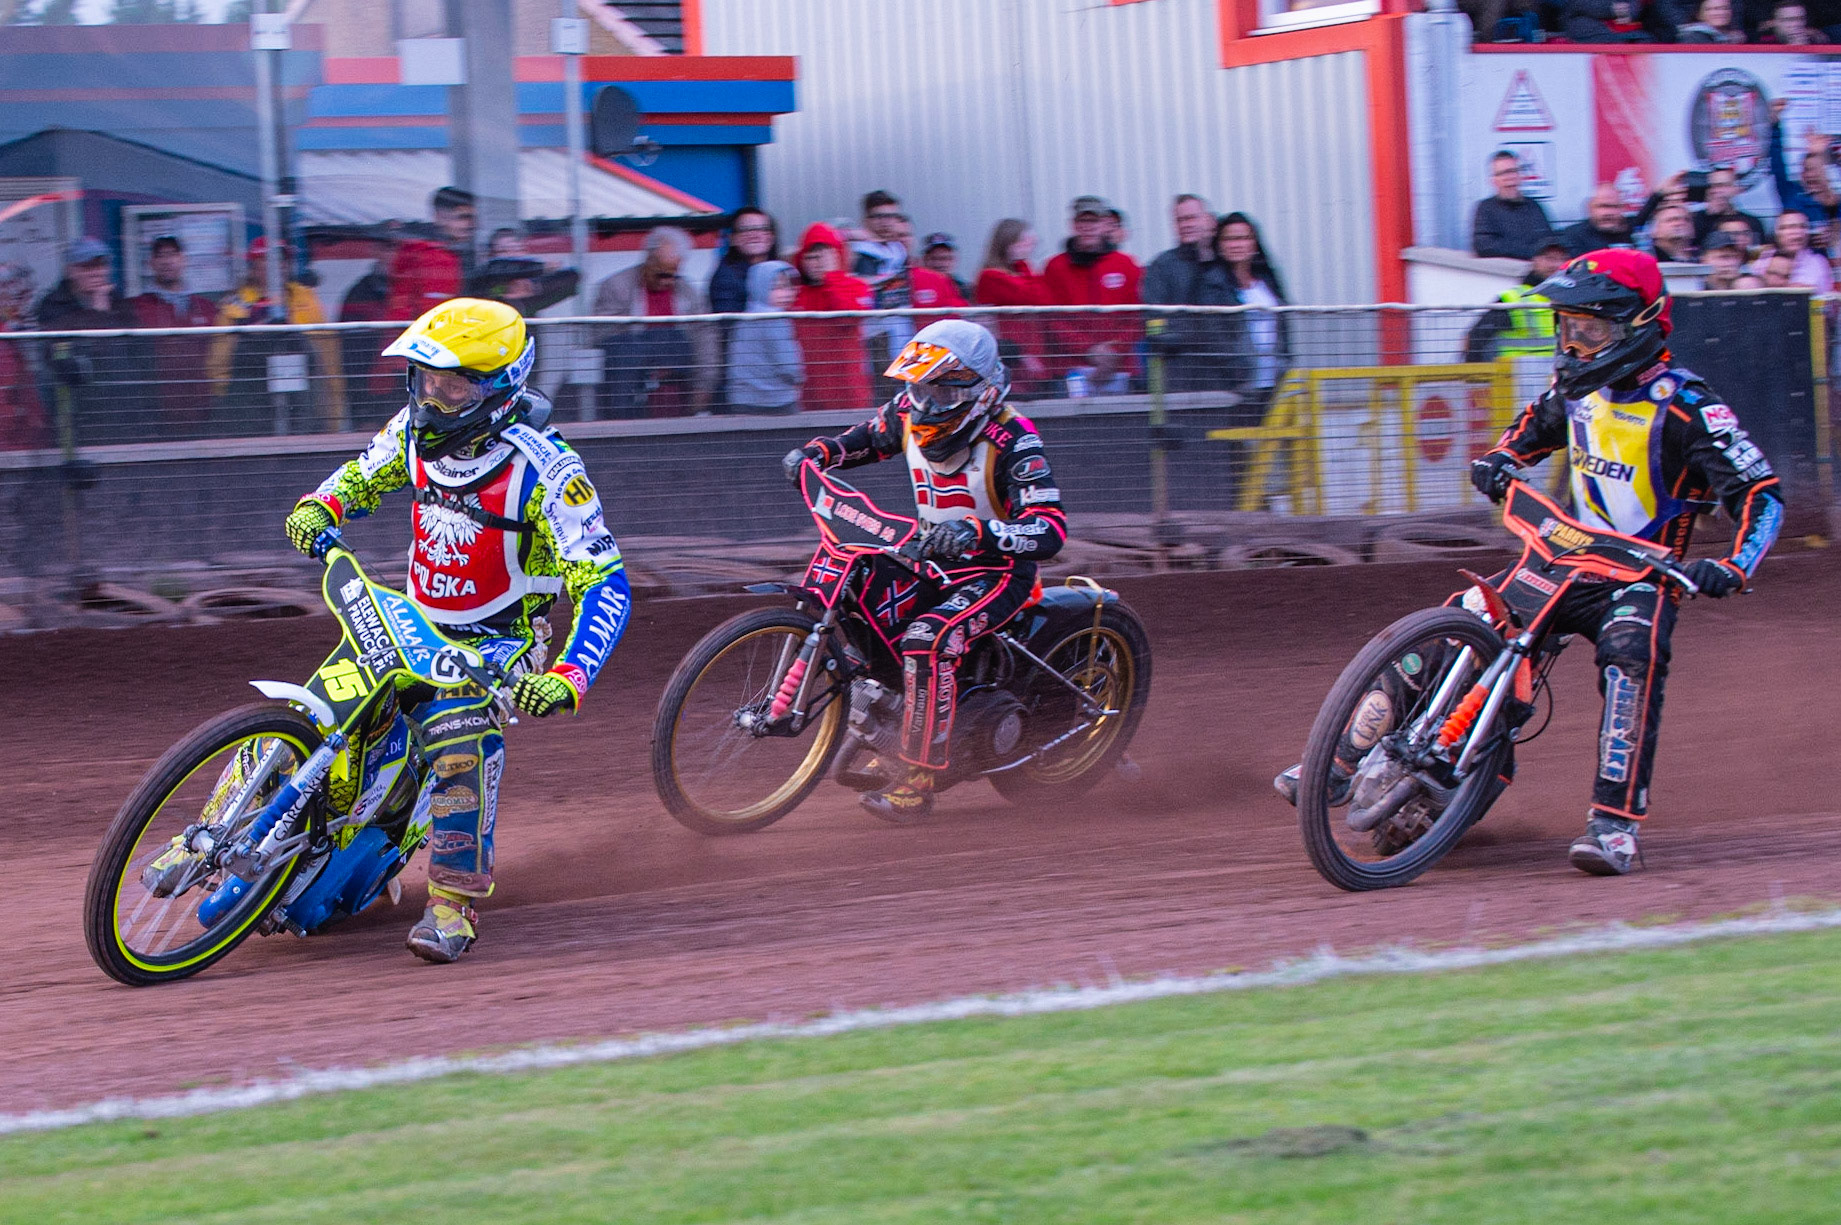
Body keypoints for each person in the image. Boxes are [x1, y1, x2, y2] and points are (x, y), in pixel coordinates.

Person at [281, 297, 631, 963]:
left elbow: (604, 584)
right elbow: (360, 476)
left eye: (452, 385)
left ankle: (451, 903)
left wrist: (569, 676)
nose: (432, 398)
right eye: (425, 382)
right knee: (324, 706)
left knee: (458, 736)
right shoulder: (411, 433)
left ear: (499, 387)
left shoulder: (548, 471)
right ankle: (213, 826)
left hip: (501, 645)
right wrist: (319, 504)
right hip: (410, 621)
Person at [1467, 250, 1782, 874]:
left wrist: (1735, 566)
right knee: (1469, 615)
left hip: (1642, 575)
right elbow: (1530, 430)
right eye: (1567, 329)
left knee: (1631, 659)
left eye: (1590, 330)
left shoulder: (1688, 403)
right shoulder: (1575, 389)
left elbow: (1760, 494)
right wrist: (1500, 458)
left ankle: (1613, 827)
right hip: (1564, 556)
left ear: (1639, 323)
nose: (1574, 343)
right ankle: (1347, 754)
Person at [780, 319, 1066, 821]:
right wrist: (820, 452)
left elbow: (1049, 530)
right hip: (932, 558)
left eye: (940, 389)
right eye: (919, 387)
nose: (926, 403)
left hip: (996, 573)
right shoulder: (910, 412)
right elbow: (870, 438)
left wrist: (978, 533)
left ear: (977, 391)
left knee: (927, 639)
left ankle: (917, 779)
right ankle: (896, 718)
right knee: (864, 601)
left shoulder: (1015, 439)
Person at [211, 237, 347, 434]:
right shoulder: (234, 307)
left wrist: (333, 415)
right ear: (253, 267)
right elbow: (219, 368)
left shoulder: (306, 298)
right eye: (268, 259)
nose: (279, 266)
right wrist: (231, 412)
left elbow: (328, 359)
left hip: (302, 404)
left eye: (283, 260)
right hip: (252, 409)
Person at [591, 226, 717, 418]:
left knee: (677, 340)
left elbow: (706, 338)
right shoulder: (616, 286)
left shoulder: (689, 292)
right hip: (631, 370)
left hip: (677, 367)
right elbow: (599, 335)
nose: (667, 281)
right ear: (648, 260)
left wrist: (704, 385)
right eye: (662, 274)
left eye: (673, 274)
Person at [35, 237, 136, 446]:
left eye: (101, 265)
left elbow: (139, 350)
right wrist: (98, 313)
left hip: (120, 410)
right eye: (88, 266)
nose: (96, 272)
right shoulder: (52, 305)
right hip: (75, 411)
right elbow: (66, 353)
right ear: (71, 270)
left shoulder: (117, 301)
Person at [1043, 195, 1142, 388]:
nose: (1088, 227)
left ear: (1106, 224)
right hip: (1071, 369)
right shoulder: (1055, 266)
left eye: (1094, 220)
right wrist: (1090, 350)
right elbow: (1052, 319)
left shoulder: (1126, 264)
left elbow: (1136, 317)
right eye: (1082, 220)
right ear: (1073, 224)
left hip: (1120, 369)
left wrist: (1113, 350)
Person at [130, 235, 222, 439]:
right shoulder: (136, 307)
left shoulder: (206, 307)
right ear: (151, 263)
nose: (167, 261)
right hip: (157, 414)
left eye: (172, 254)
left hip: (203, 411)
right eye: (160, 255)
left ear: (183, 259)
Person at [790, 222, 876, 412]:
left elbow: (847, 319)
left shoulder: (857, 286)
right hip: (809, 396)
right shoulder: (795, 293)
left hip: (850, 393)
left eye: (825, 257)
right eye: (811, 257)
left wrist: (833, 276)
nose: (817, 263)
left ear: (839, 256)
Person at [1215, 212, 1291, 418]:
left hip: (1276, 385)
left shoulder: (1269, 281)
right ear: (1220, 245)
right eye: (1230, 238)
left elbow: (1284, 329)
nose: (1237, 244)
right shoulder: (1213, 286)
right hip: (1238, 391)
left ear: (1255, 244)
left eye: (1244, 238)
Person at [973, 218, 1056, 399]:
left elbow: (1046, 299)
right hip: (1013, 358)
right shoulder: (991, 276)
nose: (1028, 247)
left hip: (1036, 354)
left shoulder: (1022, 273)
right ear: (1007, 243)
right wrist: (1024, 265)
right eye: (1022, 242)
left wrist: (1023, 266)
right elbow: (1033, 297)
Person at [1463, 238, 1570, 362]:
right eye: (1549, 258)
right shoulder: (1513, 298)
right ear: (1534, 261)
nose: (1555, 265)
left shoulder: (1574, 297)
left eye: (1561, 259)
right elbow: (1477, 338)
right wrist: (1475, 377)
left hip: (1563, 375)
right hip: (1519, 376)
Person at [385, 186, 478, 321]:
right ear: (440, 217)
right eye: (463, 217)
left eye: (473, 218)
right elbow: (437, 314)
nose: (471, 224)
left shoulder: (443, 252)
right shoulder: (430, 255)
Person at [725, 260, 804, 415]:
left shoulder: (743, 320)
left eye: (789, 287)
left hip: (742, 401)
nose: (786, 293)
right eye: (777, 287)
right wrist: (797, 379)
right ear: (760, 286)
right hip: (778, 401)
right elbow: (788, 365)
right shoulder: (776, 319)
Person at [1768, 100, 1841, 247]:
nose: (1810, 174)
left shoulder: (1837, 198)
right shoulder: (1792, 195)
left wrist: (1826, 152)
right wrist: (1775, 126)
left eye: (1815, 169)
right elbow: (1777, 164)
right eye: (1806, 169)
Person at [464, 226, 579, 317]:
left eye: (517, 249)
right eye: (503, 251)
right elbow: (500, 267)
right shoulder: (485, 281)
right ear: (492, 255)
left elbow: (572, 277)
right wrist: (542, 267)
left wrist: (535, 288)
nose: (512, 255)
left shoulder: (530, 286)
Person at [0, 263, 49, 451]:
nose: (21, 302)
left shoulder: (28, 332)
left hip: (29, 445)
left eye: (25, 294)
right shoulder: (7, 336)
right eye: (13, 294)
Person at [1472, 152, 1556, 259]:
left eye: (1514, 171)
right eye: (1503, 173)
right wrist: (1529, 252)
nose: (1510, 177)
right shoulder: (1485, 208)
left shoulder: (1534, 206)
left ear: (1520, 176)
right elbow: (1483, 246)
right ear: (1493, 181)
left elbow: (1548, 243)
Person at [1751, 210, 1834, 292]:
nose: (1797, 232)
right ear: (1777, 233)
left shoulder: (1819, 262)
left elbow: (1825, 297)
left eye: (1802, 227)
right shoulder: (1762, 258)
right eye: (1790, 227)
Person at [1692, 165, 1766, 247]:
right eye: (1712, 186)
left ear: (1736, 189)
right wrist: (1709, 216)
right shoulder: (1698, 220)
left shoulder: (1752, 222)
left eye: (1722, 185)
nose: (1716, 191)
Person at [1558, 184, 1635, 257]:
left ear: (1623, 209)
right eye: (1601, 206)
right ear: (1590, 208)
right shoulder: (1574, 235)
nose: (1607, 213)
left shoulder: (1634, 232)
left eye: (1614, 207)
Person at [921, 232, 972, 302]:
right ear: (924, 260)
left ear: (954, 260)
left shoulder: (964, 288)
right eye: (935, 258)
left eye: (945, 258)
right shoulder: (916, 286)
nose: (940, 264)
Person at [1677, 0, 1747, 39]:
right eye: (1711, 9)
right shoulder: (1694, 38)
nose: (1720, 13)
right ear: (1699, 15)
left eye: (1725, 8)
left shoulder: (1735, 38)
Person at [1759, 0, 1829, 38]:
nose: (1796, 24)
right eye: (1788, 20)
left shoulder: (1814, 38)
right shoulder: (1764, 40)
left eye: (1801, 19)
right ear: (1774, 23)